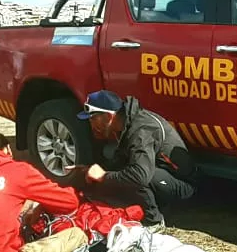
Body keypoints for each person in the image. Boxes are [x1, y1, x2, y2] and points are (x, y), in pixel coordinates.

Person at [75, 90, 197, 231]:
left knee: (139, 175)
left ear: (109, 116)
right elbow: (120, 161)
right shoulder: (126, 123)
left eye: (92, 119)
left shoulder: (141, 131)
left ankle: (154, 221)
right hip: (161, 174)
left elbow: (140, 176)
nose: (91, 125)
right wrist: (90, 171)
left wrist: (103, 176)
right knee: (122, 166)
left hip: (184, 185)